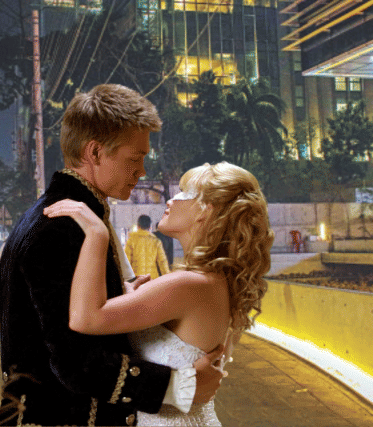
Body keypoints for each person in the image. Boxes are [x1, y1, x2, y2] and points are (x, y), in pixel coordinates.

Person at [0, 84, 226, 426]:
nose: (143, 171)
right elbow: (73, 360)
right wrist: (178, 387)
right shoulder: (62, 227)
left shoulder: (69, 216)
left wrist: (119, 297)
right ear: (95, 152)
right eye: (135, 159)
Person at [45, 161, 274, 425]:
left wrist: (97, 233)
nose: (171, 199)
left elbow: (84, 318)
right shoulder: (215, 282)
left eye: (184, 193)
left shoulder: (188, 285)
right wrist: (131, 298)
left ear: (205, 211)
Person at [124, 214, 170, 279]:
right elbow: (162, 261)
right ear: (150, 227)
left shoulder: (131, 241)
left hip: (137, 279)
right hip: (152, 278)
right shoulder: (156, 241)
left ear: (138, 226)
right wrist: (167, 277)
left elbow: (126, 262)